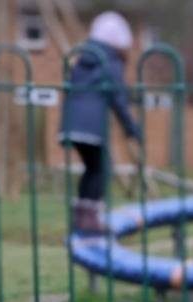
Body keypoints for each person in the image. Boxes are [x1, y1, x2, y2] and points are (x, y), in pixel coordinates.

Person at [59, 11, 142, 233]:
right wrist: (131, 129)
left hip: (71, 123)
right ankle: (90, 218)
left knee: (92, 167)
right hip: (92, 125)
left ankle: (81, 216)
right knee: (102, 168)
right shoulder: (110, 61)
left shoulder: (83, 57)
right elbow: (117, 98)